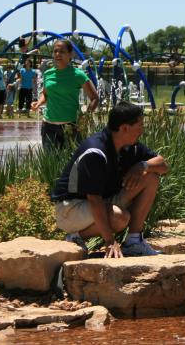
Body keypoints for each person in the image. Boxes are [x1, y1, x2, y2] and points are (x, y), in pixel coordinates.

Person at [51, 101, 167, 257]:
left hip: (102, 202)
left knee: (151, 177)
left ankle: (134, 242)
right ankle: (75, 237)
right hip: (71, 208)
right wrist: (109, 241)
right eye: (139, 126)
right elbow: (94, 199)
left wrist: (142, 166)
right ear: (125, 128)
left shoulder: (129, 146)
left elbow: (163, 165)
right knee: (119, 218)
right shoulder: (96, 152)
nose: (142, 131)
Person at [31, 39, 99, 150]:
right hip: (48, 127)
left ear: (70, 54)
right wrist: (38, 103)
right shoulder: (48, 74)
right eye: (55, 51)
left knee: (71, 165)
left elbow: (95, 98)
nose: (57, 54)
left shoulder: (78, 75)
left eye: (62, 51)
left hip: (71, 127)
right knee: (51, 165)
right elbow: (46, 94)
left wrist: (85, 116)